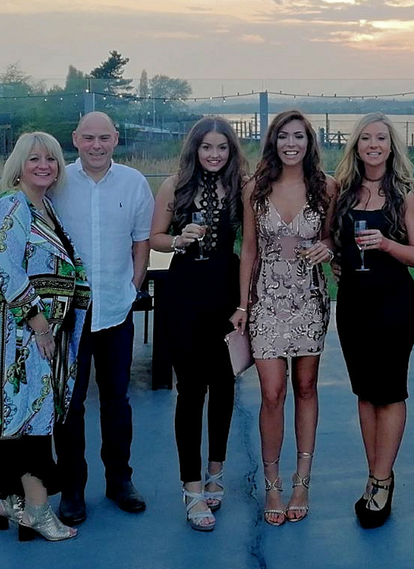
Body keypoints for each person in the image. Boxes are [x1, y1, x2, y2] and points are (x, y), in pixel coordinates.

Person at [0, 131, 90, 542]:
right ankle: (38, 510)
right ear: (18, 165)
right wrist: (39, 324)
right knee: (32, 419)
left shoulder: (45, 207)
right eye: (35, 159)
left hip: (42, 331)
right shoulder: (12, 203)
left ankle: (9, 500)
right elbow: (9, 269)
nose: (44, 166)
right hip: (18, 334)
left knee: (23, 417)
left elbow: (7, 256)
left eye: (52, 159)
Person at [230, 110, 337, 526]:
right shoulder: (254, 188)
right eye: (283, 137)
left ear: (309, 142)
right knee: (272, 392)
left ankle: (301, 481)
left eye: (299, 137)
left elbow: (332, 236)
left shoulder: (326, 186)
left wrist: (327, 246)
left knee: (306, 387)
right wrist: (244, 305)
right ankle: (272, 481)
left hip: (309, 298)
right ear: (272, 141)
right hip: (267, 303)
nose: (291, 144)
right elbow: (249, 250)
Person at [52, 112, 155, 523]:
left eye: (105, 138)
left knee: (116, 401)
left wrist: (131, 286)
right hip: (68, 315)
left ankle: (119, 481)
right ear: (75, 139)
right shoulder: (57, 183)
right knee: (69, 405)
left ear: (116, 139)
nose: (96, 145)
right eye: (89, 138)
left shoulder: (134, 183)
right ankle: (72, 489)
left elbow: (141, 240)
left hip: (115, 309)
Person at [332, 113, 414, 528]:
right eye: (366, 138)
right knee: (365, 392)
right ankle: (373, 474)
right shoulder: (341, 191)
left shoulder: (406, 193)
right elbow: (330, 242)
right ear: (356, 145)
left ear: (392, 146)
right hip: (352, 303)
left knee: (389, 392)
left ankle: (382, 480)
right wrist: (335, 259)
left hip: (393, 304)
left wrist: (388, 244)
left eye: (382, 138)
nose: (374, 144)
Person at [151, 117, 248, 532]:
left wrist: (244, 302)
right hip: (185, 294)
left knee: (224, 386)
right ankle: (191, 489)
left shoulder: (242, 187)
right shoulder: (175, 185)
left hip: (225, 293)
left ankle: (216, 473)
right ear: (194, 149)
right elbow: (154, 236)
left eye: (221, 148)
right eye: (206, 147)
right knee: (190, 391)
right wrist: (177, 239)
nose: (214, 154)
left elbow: (255, 241)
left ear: (230, 151)